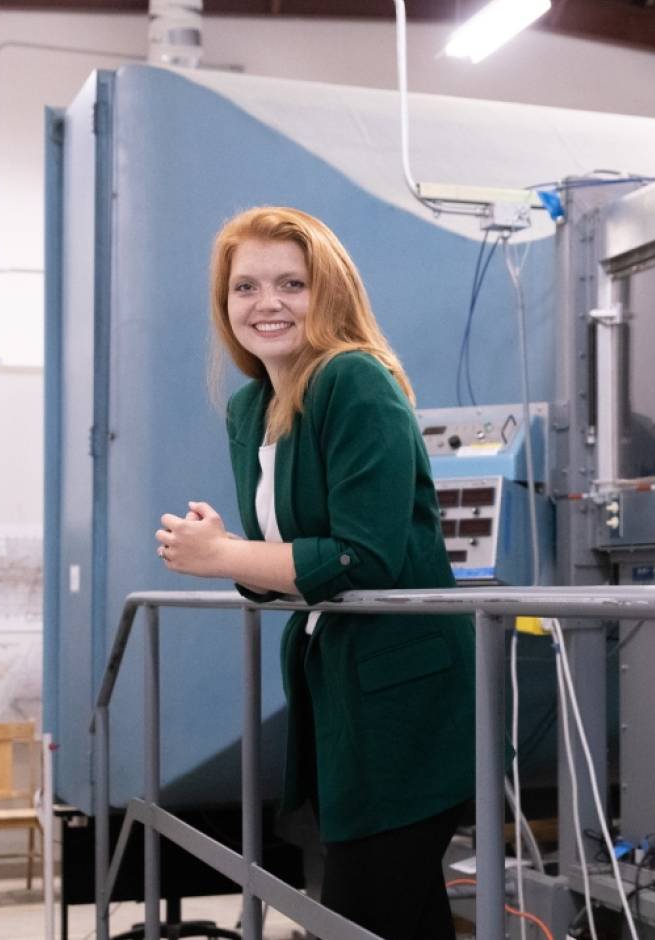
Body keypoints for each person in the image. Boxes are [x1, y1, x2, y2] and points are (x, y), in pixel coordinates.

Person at [154, 206, 474, 940]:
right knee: (396, 913)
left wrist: (225, 554)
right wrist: (228, 551)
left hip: (406, 703)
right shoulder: (251, 407)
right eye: (245, 288)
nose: (266, 304)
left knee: (369, 912)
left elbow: (362, 558)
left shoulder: (353, 381)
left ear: (329, 292)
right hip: (334, 693)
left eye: (291, 283)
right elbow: (287, 564)